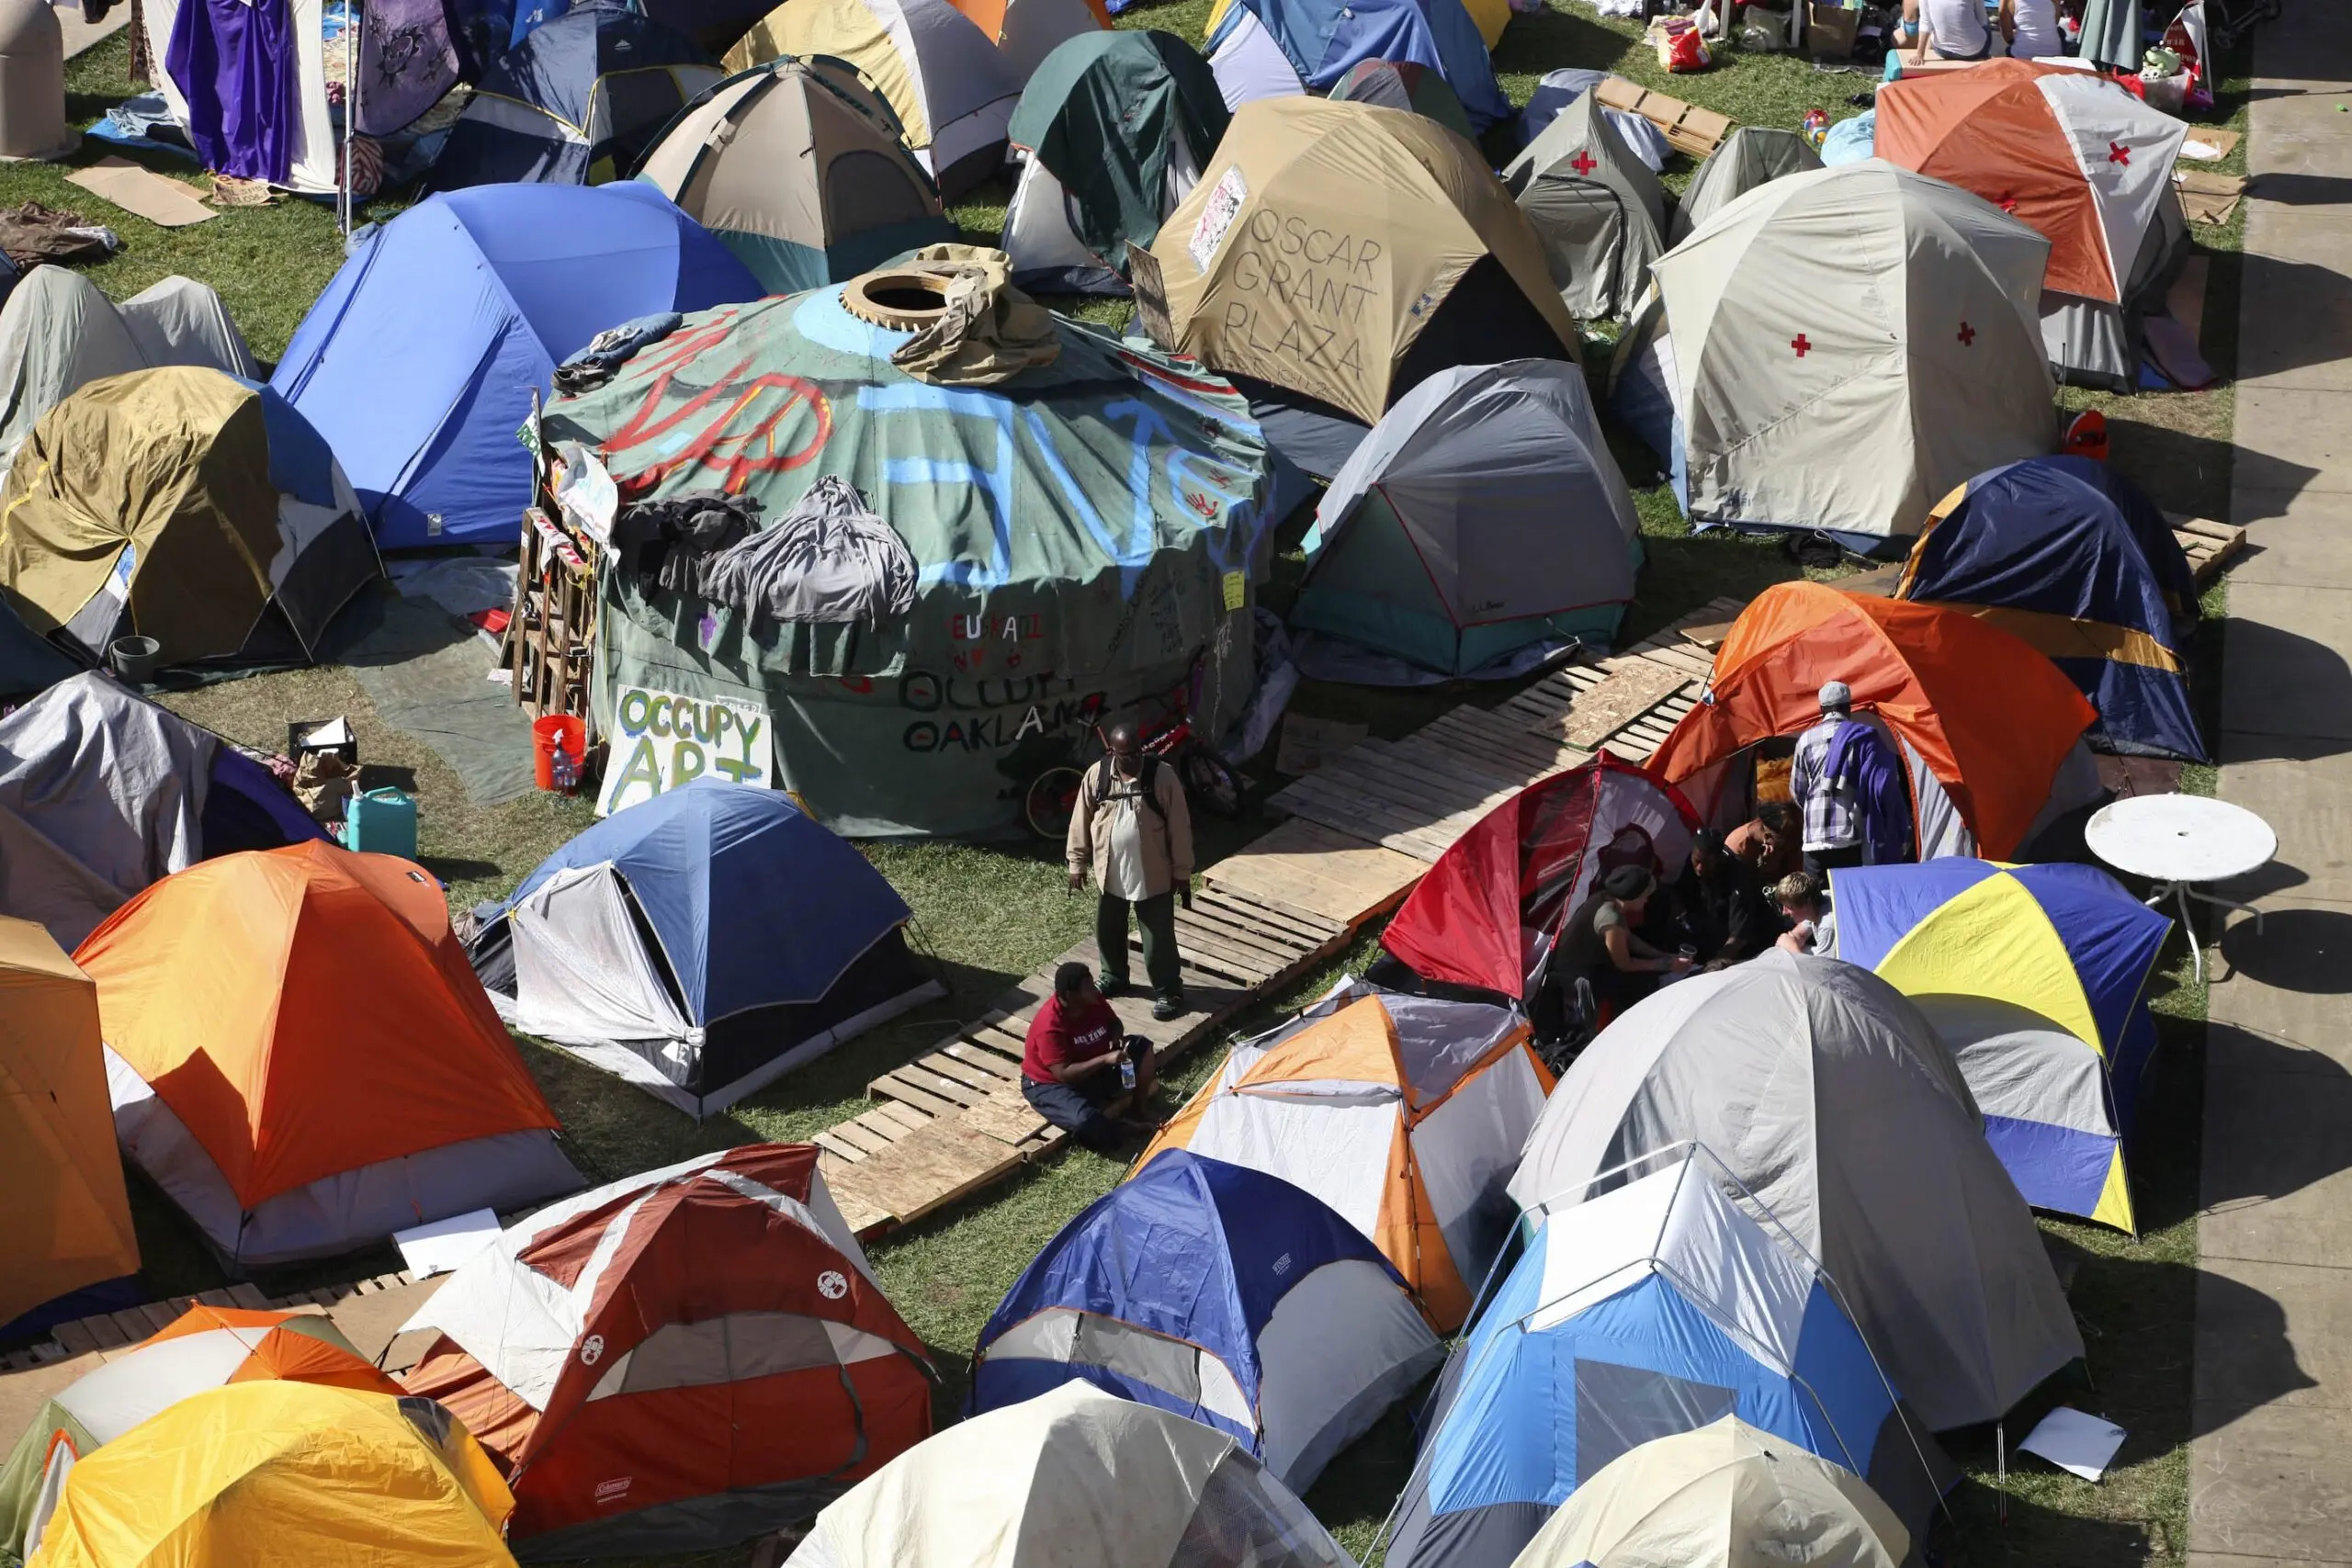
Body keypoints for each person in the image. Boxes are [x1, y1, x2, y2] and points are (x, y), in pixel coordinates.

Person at [1067, 721, 1194, 1021]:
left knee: (1158, 937)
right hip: (1111, 873)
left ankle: (1168, 990)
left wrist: (1182, 871)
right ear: (1113, 752)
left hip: (1153, 875)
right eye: (1127, 755)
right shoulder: (1097, 776)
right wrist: (1077, 863)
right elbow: (1080, 820)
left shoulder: (1162, 777)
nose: (1135, 760)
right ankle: (1114, 976)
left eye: (1138, 752)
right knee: (1108, 928)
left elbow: (1180, 826)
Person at [1022, 962, 1158, 1154]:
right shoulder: (1050, 1026)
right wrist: (1104, 1060)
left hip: (1094, 1066)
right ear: (1070, 995)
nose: (1094, 989)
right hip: (1052, 1084)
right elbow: (1064, 1074)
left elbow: (1114, 1023)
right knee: (1084, 1122)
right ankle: (1124, 1129)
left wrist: (1115, 1036)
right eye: (1087, 987)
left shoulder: (1094, 1000)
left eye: (1092, 983)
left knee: (1142, 1047)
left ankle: (1140, 1108)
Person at [1553, 865, 1693, 1029]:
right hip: (1577, 977)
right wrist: (1667, 965)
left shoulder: (1607, 900)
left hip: (1593, 964)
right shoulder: (1610, 918)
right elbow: (1625, 964)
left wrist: (1661, 955)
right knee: (1640, 984)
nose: (1647, 901)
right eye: (1645, 896)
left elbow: (1629, 938)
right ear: (1632, 896)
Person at [1790, 682, 1868, 874]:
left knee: (1812, 902)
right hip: (1849, 837)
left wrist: (1813, 808)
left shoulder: (1806, 740)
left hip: (1815, 840)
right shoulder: (1861, 737)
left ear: (1821, 709)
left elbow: (1798, 790)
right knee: (1846, 900)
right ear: (1848, 707)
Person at [1670, 829, 1777, 966]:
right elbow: (1679, 895)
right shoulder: (1695, 862)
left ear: (1719, 859)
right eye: (1697, 861)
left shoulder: (1738, 880)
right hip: (1705, 918)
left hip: (1737, 936)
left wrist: (1714, 964)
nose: (1700, 868)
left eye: (1706, 864)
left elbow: (1739, 938)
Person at [1725, 800, 1802, 885]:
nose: (1793, 845)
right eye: (1789, 842)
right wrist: (1766, 871)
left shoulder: (1788, 842)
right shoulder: (1738, 847)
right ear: (1767, 837)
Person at [1773, 871, 1839, 958]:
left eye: (1789, 907)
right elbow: (1799, 934)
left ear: (1806, 904)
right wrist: (1790, 941)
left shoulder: (1828, 926)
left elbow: (1823, 968)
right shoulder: (1818, 902)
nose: (1784, 912)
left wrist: (1792, 948)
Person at [1903, 0, 1994, 58]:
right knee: (1987, 23)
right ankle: (1985, 56)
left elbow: (1925, 23)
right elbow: (1982, 20)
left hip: (1943, 51)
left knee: (1935, 23)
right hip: (1974, 51)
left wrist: (1919, 54)